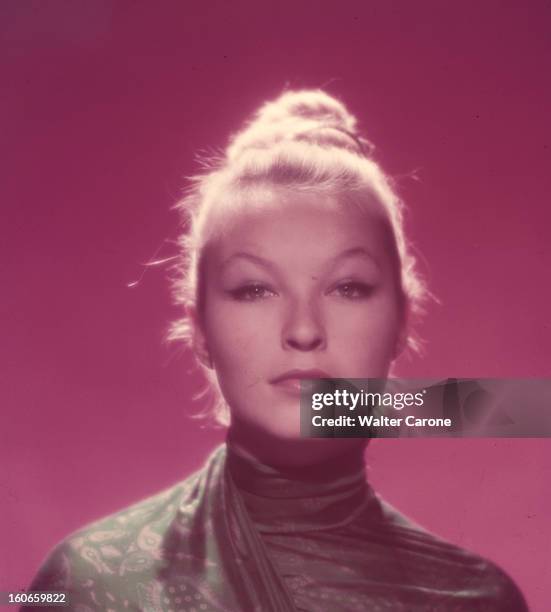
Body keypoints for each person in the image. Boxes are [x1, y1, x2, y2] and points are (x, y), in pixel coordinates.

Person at [24, 89, 528, 611]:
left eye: (348, 287)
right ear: (199, 329)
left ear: (402, 320)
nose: (304, 330)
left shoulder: (479, 600)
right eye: (254, 289)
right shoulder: (85, 585)